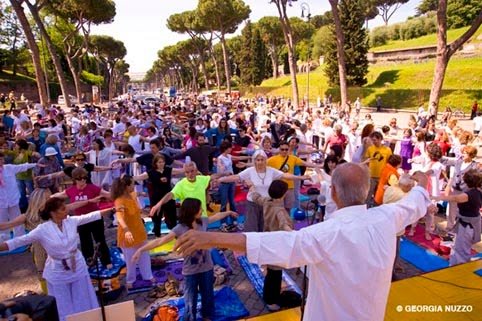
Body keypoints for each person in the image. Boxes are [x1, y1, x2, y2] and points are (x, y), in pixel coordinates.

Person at [174, 163, 432, 321]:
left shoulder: (324, 234)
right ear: (365, 192)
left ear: (333, 193)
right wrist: (420, 182)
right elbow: (416, 202)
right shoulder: (387, 217)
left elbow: (269, 244)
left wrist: (209, 238)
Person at [0, 197, 115, 321]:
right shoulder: (42, 230)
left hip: (77, 266)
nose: (67, 210)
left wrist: (113, 209)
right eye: (63, 209)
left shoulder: (71, 221)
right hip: (57, 271)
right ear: (53, 213)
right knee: (62, 302)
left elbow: (91, 216)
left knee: (82, 297)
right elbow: (19, 241)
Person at [132, 199, 237, 321]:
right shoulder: (180, 228)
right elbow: (160, 241)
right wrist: (140, 250)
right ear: (192, 211)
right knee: (190, 301)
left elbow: (216, 216)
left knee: (208, 296)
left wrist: (228, 212)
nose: (202, 210)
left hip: (207, 268)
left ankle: (207, 316)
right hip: (190, 272)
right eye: (199, 209)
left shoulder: (202, 221)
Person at [217, 150, 308, 232]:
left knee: (264, 227)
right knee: (251, 227)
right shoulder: (250, 171)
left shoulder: (271, 171)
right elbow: (236, 177)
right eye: (258, 160)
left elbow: (285, 175)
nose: (260, 162)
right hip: (253, 202)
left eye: (262, 159)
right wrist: (221, 179)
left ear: (265, 160)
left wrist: (300, 177)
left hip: (266, 203)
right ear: (254, 161)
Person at [51, 168, 112, 267]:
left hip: (95, 218)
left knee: (100, 239)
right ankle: (89, 260)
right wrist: (48, 196)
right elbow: (59, 195)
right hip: (81, 220)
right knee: (85, 241)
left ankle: (106, 261)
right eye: (80, 178)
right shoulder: (71, 190)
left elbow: (107, 194)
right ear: (75, 179)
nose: (83, 180)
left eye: (84, 178)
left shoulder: (93, 188)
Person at [249, 180, 292, 311]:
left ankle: (269, 297)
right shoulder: (279, 210)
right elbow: (284, 225)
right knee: (275, 275)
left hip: (267, 241)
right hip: (276, 245)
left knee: (271, 274)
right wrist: (294, 234)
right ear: (283, 194)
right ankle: (271, 301)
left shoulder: (268, 201)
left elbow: (257, 198)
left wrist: (252, 189)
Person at [111, 175, 155, 289]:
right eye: (132, 184)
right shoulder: (119, 201)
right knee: (130, 260)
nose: (133, 186)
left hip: (139, 231)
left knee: (144, 255)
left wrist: (147, 206)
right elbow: (119, 217)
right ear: (126, 186)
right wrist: (126, 230)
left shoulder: (132, 196)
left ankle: (148, 276)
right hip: (128, 235)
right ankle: (130, 279)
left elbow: (137, 198)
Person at [433, 169, 481, 266]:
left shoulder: (468, 194)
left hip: (467, 225)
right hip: (471, 223)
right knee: (461, 246)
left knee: (462, 249)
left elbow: (455, 198)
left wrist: (438, 197)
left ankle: (459, 267)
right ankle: (457, 263)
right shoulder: (477, 191)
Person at [133, 154, 183, 236]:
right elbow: (139, 177)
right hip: (156, 197)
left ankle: (175, 234)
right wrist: (129, 178)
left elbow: (181, 170)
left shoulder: (168, 170)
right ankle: (157, 234)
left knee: (172, 217)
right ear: (155, 163)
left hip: (168, 196)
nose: (161, 164)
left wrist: (189, 168)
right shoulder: (150, 172)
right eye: (159, 162)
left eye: (163, 162)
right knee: (156, 218)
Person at [0, 152, 37, 242]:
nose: (2, 161)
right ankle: (4, 240)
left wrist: (36, 164)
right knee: (2, 221)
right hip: (1, 202)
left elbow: (23, 166)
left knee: (17, 219)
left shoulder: (9, 168)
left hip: (13, 199)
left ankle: (20, 238)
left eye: (2, 159)